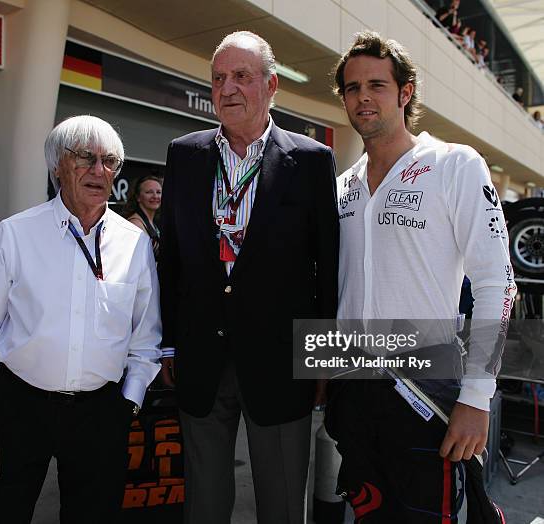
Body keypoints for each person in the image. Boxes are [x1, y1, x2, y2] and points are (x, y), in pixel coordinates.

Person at [325, 31, 513, 522]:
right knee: (368, 514)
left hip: (427, 388)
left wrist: (477, 397)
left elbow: (497, 285)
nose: (363, 96)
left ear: (405, 92)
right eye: (351, 87)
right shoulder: (341, 186)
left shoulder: (454, 164)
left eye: (377, 85)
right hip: (351, 387)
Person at [158, 31, 339, 524]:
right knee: (205, 504)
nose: (227, 88)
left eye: (241, 76)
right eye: (218, 78)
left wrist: (323, 359)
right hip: (201, 359)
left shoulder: (312, 161)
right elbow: (169, 258)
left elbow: (328, 267)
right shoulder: (185, 154)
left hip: (282, 364)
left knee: (282, 505)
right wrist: (169, 343)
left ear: (272, 84)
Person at [0, 115, 162, 523]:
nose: (99, 171)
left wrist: (128, 404)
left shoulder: (134, 244)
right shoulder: (16, 234)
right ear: (56, 167)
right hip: (20, 408)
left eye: (110, 161)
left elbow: (146, 336)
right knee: (2, 514)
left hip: (100, 412)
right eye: (85, 157)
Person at [123, 175, 162, 258]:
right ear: (138, 197)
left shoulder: (152, 221)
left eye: (158, 192)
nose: (155, 196)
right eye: (149, 192)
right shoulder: (135, 224)